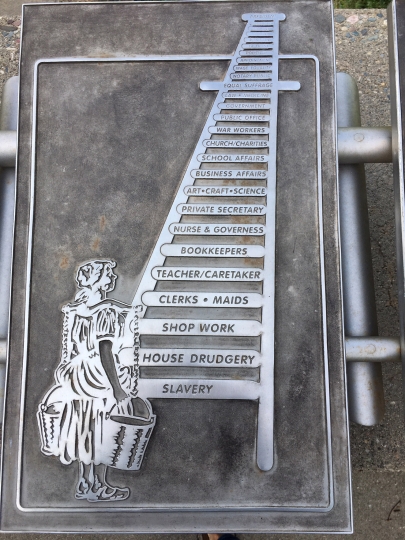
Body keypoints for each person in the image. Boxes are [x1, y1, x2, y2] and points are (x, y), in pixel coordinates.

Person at [37, 259, 149, 502]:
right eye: (109, 275)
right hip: (99, 377)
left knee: (83, 428)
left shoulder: (75, 310)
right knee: (102, 430)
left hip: (78, 376)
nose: (114, 278)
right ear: (98, 280)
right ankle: (98, 484)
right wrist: (118, 388)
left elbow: (72, 350)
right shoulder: (106, 311)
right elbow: (105, 351)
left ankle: (86, 482)